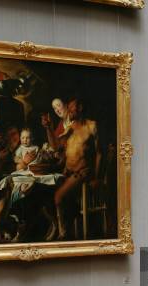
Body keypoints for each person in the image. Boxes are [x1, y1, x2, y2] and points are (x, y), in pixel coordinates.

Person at [51, 97, 102, 240]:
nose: (69, 110)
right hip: (68, 172)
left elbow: (99, 153)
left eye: (72, 107)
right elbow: (56, 147)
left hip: (83, 172)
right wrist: (48, 127)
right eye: (68, 107)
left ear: (80, 108)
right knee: (47, 191)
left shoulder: (92, 126)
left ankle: (63, 234)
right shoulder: (69, 129)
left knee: (58, 197)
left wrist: (97, 177)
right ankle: (66, 225)